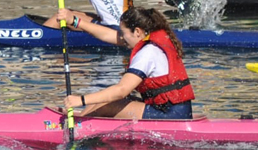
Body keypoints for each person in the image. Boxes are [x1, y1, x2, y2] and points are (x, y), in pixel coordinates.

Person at [59, 7, 195, 120]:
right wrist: (75, 21)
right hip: (172, 109)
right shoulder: (150, 38)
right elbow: (108, 35)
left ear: (137, 31)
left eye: (123, 33)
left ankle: (78, 126)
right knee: (103, 99)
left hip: (171, 115)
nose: (122, 37)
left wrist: (80, 100)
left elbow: (121, 90)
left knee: (110, 104)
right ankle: (80, 119)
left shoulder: (148, 52)